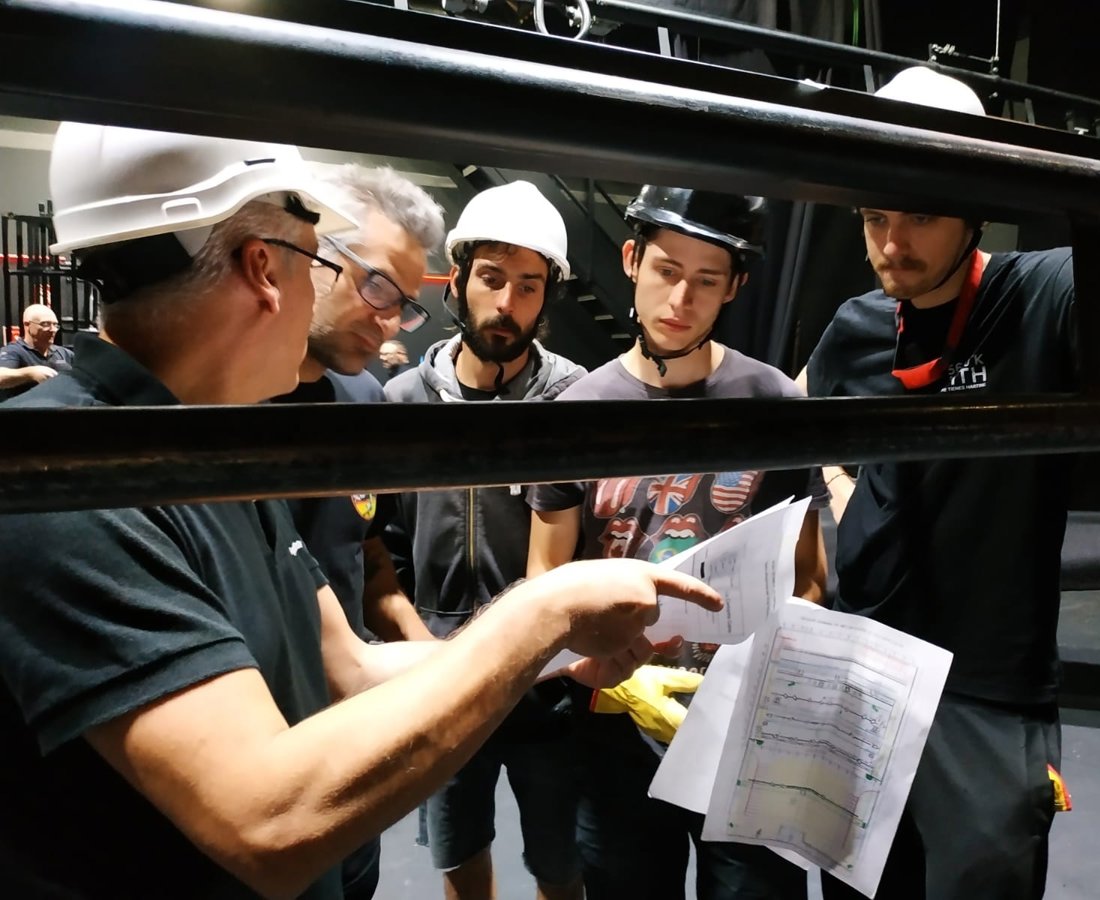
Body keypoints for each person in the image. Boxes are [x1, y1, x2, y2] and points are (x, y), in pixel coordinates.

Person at [0, 122, 723, 900]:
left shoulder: (211, 450)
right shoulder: (59, 481)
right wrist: (542, 612)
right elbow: (267, 823)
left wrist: (548, 650)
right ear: (265, 269)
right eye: (320, 262)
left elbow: (350, 666)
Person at [802, 66, 1100, 900]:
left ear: (974, 209)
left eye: (920, 216)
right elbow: (807, 412)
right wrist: (842, 495)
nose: (892, 243)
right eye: (875, 217)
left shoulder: (1045, 290)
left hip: (984, 690)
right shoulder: (856, 325)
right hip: (864, 669)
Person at [526, 184, 827, 900]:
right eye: (666, 270)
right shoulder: (576, 413)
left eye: (707, 280)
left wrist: (767, 666)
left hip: (741, 726)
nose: (681, 299)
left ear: (735, 288)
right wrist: (586, 667)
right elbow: (544, 580)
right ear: (632, 260)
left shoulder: (774, 406)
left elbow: (809, 577)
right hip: (616, 719)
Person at [382, 180, 588, 900]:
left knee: (561, 865)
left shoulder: (574, 400)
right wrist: (418, 648)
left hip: (547, 679)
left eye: (529, 286)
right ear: (458, 279)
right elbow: (386, 546)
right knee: (458, 853)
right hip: (441, 669)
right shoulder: (403, 403)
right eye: (493, 279)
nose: (507, 302)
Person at [271, 162, 443, 899]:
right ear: (310, 255)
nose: (388, 320)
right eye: (376, 286)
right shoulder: (226, 399)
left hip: (349, 719)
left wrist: (429, 654)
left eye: (404, 305)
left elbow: (366, 555)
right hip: (259, 729)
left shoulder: (364, 397)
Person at [0, 302, 73, 397]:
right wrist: (30, 373)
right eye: (45, 324)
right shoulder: (14, 351)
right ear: (27, 325)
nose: (53, 329)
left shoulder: (63, 353)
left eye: (55, 325)